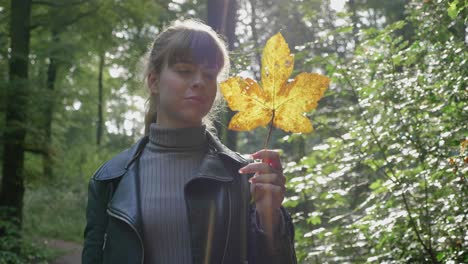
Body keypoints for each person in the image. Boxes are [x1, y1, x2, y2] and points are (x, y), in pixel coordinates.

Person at [82, 19, 296, 264]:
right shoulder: (110, 180)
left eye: (209, 74)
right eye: (185, 70)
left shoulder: (244, 176)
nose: (199, 82)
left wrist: (270, 219)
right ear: (154, 81)